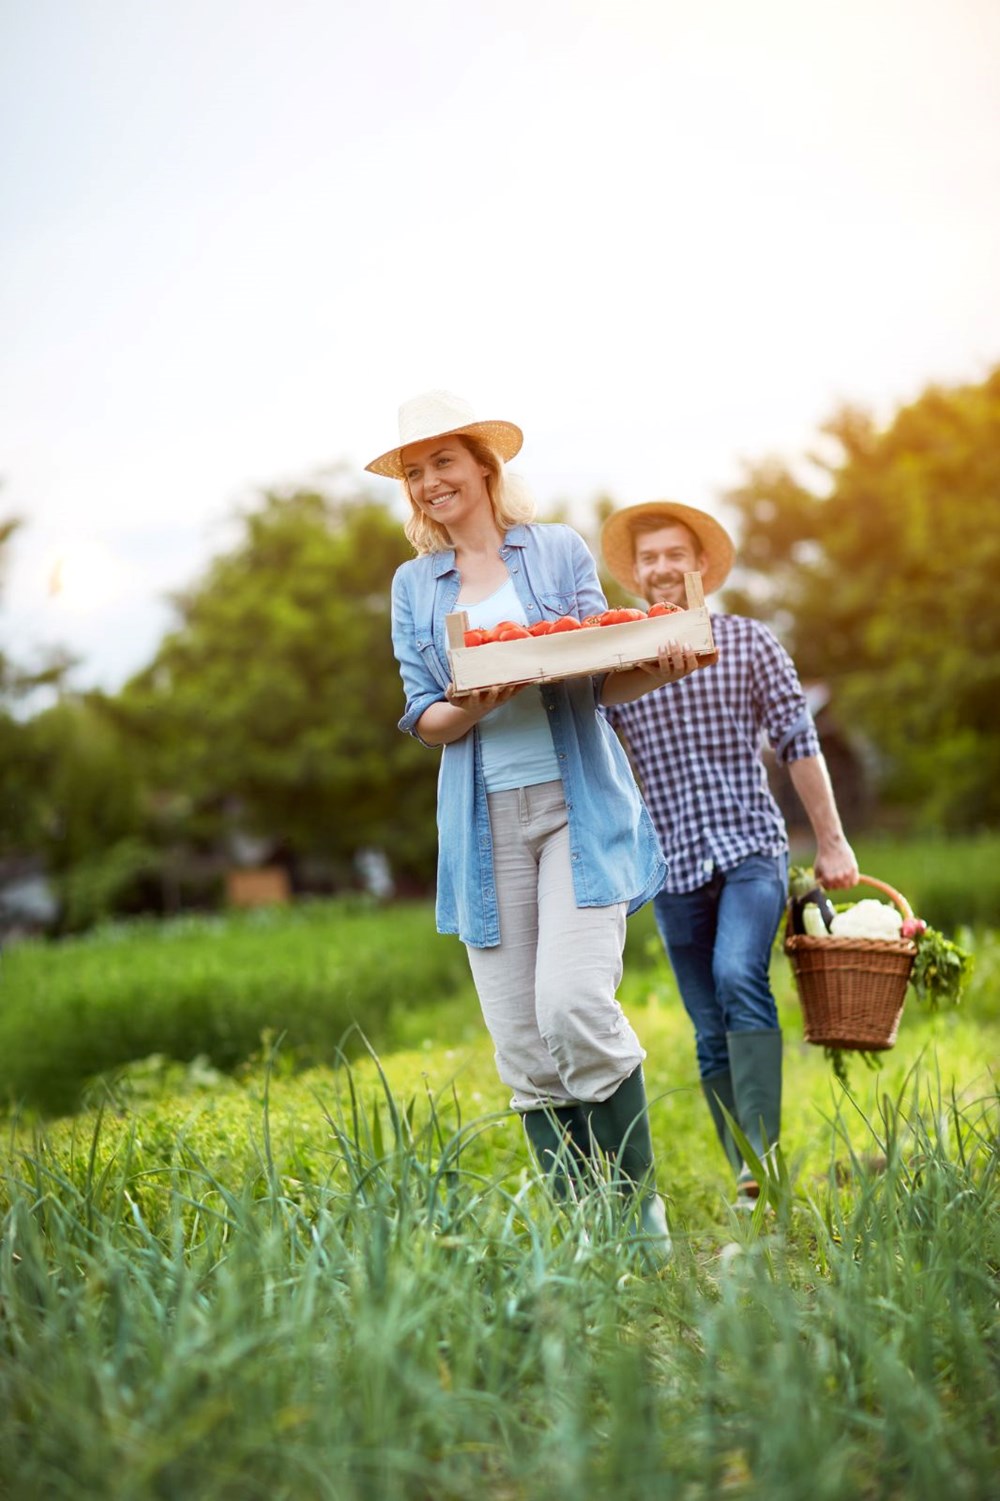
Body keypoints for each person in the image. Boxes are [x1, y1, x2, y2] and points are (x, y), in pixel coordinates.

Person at [370, 392, 707, 1263]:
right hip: (483, 824)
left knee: (572, 1003)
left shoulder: (553, 548)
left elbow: (596, 670)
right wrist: (472, 703)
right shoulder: (414, 586)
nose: (430, 481)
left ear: (483, 466)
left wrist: (659, 665)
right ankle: (587, 1237)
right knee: (523, 1042)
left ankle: (640, 1220)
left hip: (576, 805)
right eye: (414, 472)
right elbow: (424, 716)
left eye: (443, 461)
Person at [600, 500, 859, 1209]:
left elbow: (798, 741)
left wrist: (831, 839)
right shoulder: (617, 663)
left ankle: (764, 1159)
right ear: (636, 573)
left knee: (738, 972)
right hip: (671, 864)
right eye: (647, 558)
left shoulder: (750, 642)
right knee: (706, 1024)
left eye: (673, 554)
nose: (660, 568)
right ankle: (748, 1173)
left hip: (750, 847)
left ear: (701, 565)